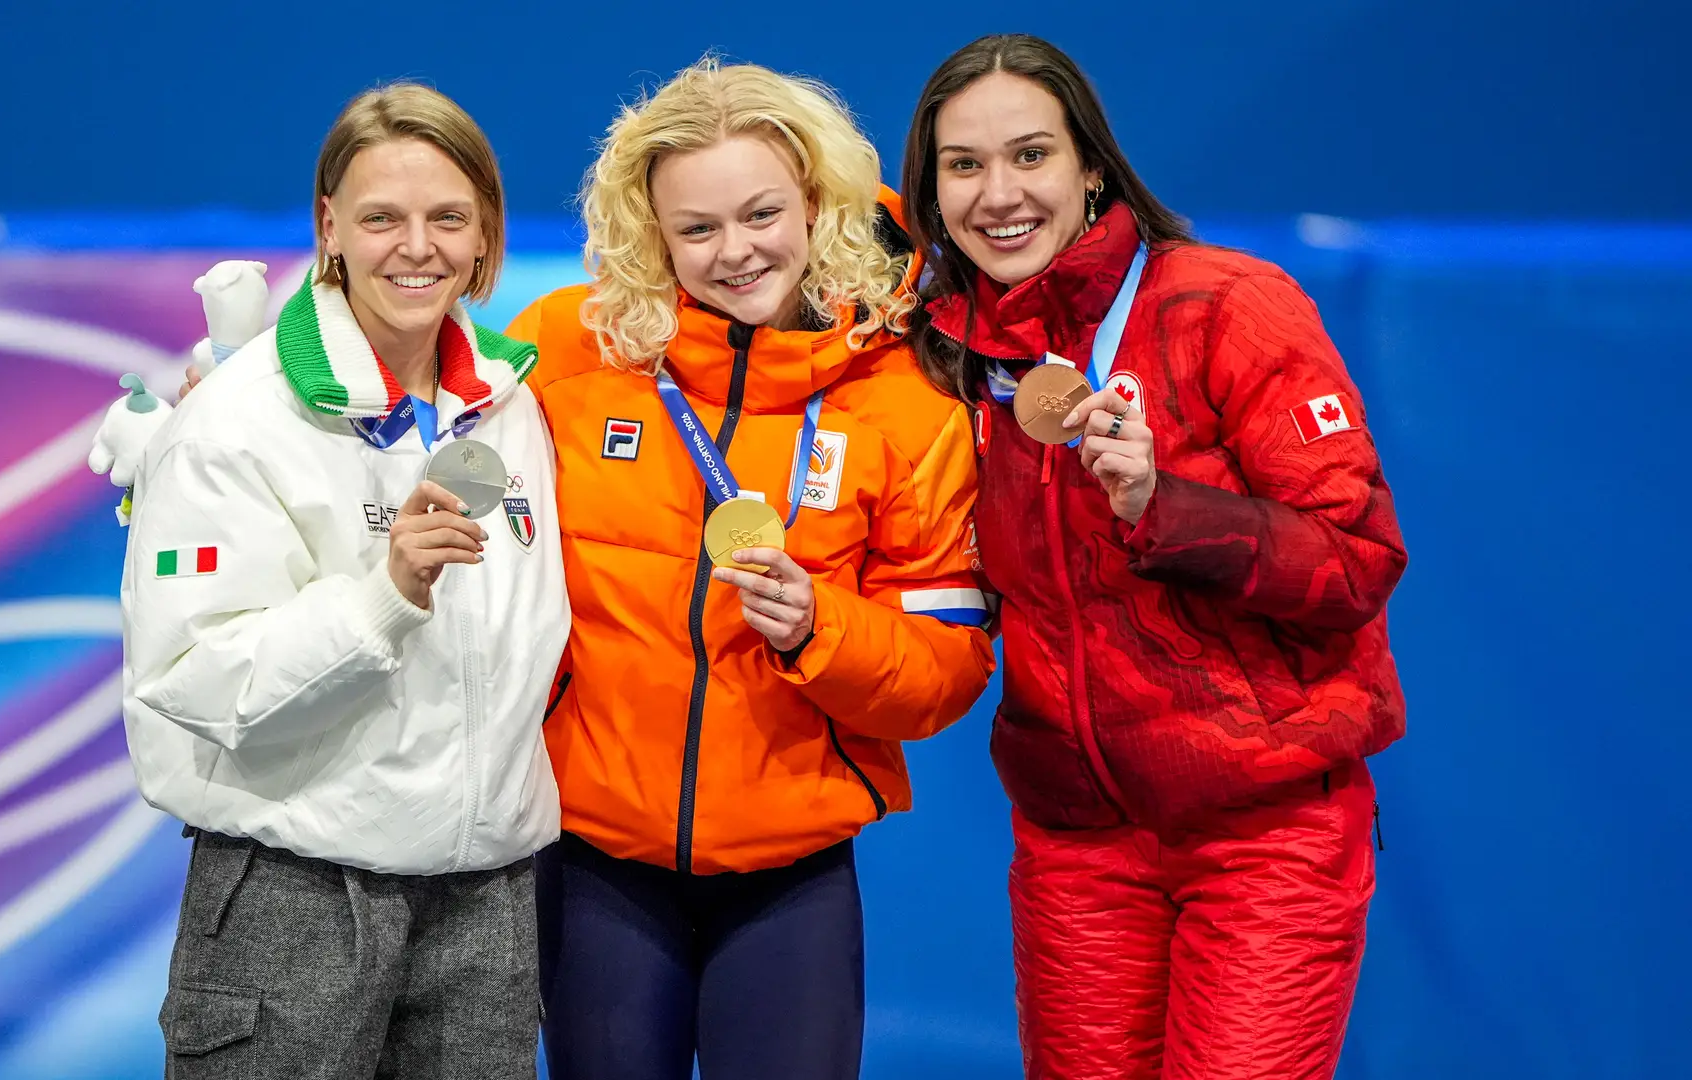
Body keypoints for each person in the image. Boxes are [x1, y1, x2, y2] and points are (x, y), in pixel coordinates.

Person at [898, 34, 1408, 1080]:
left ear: (1093, 167)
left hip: (1262, 837)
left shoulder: (1225, 305)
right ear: (931, 190)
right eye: (964, 165)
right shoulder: (950, 358)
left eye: (1031, 155)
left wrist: (1161, 504)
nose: (1000, 193)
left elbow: (1355, 564)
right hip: (1077, 843)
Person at [503, 59, 995, 1079]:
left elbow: (947, 672)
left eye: (762, 212)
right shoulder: (565, 349)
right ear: (651, 233)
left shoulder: (907, 398)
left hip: (791, 880)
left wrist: (822, 626)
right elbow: (401, 422)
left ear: (817, 201)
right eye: (697, 229)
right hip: (593, 862)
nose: (735, 252)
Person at [119, 82, 567, 1079]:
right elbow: (190, 674)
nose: (418, 247)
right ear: (329, 224)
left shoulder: (512, 406)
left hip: (486, 902)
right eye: (382, 218)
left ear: (487, 229)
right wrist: (386, 594)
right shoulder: (236, 420)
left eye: (449, 217)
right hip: (298, 899)